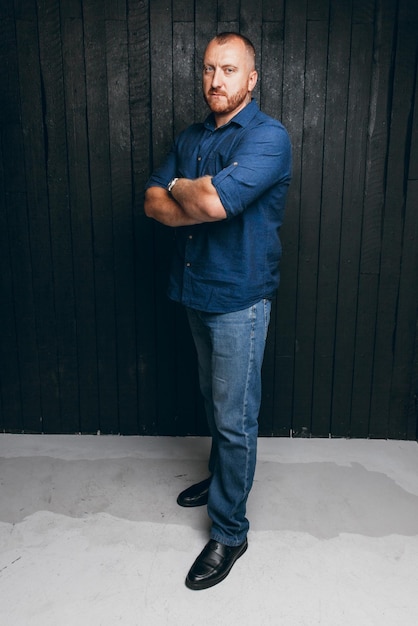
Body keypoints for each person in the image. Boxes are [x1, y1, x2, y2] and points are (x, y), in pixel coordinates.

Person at [144, 32, 292, 590]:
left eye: (229, 70)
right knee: (212, 399)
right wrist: (191, 196)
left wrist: (184, 191)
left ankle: (230, 530)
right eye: (209, 69)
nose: (216, 80)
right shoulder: (190, 136)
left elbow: (207, 201)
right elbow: (152, 203)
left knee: (235, 418)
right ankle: (222, 478)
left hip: (239, 300)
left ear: (251, 80)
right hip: (194, 291)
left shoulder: (268, 138)